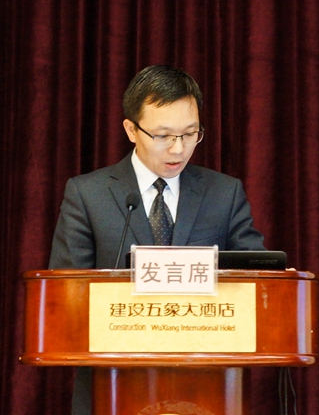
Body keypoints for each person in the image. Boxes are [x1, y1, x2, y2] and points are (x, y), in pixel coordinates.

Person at [48, 64, 266, 415]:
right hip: (113, 384)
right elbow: (66, 292)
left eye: (190, 134)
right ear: (131, 130)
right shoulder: (89, 194)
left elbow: (257, 277)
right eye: (163, 136)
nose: (178, 149)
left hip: (204, 386)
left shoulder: (223, 193)